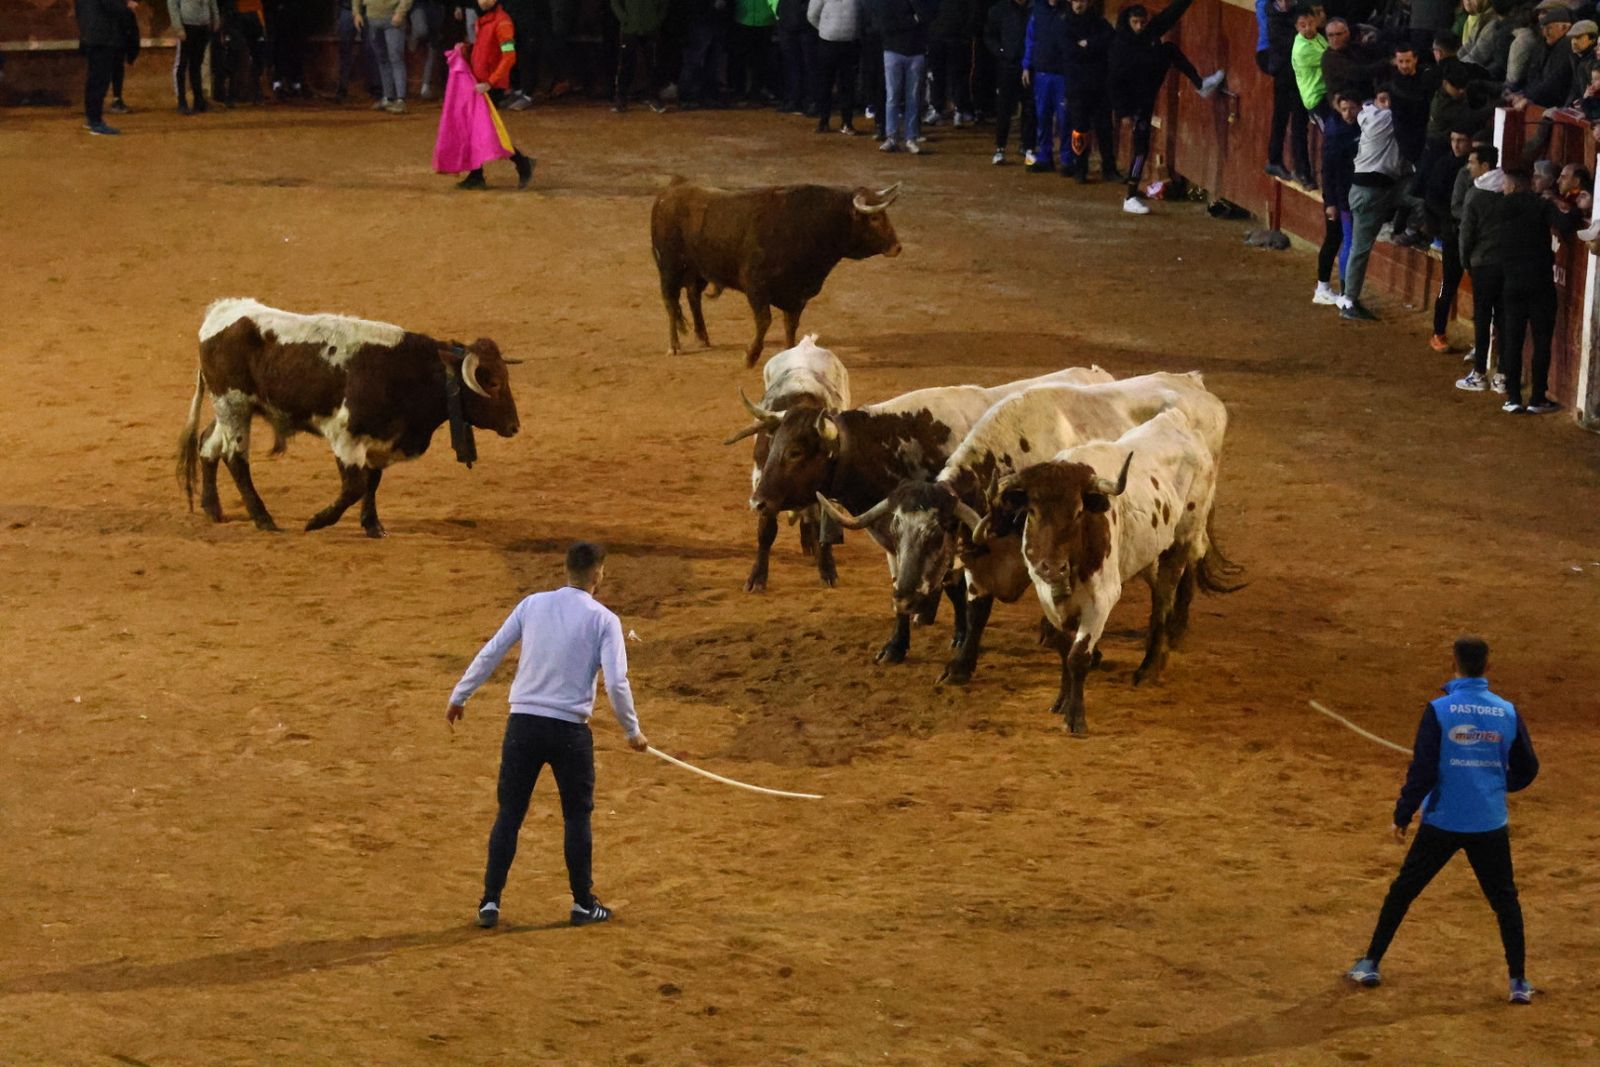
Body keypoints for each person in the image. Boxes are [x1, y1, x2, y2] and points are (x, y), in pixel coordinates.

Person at [447, 542, 649, 929]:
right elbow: (616, 683)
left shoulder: (532, 605)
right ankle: (582, 903)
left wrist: (460, 695)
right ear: (598, 573)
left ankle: (490, 901)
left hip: (523, 724)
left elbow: (492, 651)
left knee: (509, 814)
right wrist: (632, 731)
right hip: (570, 731)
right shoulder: (604, 620)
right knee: (576, 816)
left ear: (565, 568)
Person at [1345, 636, 1539, 1004]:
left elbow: (1423, 771)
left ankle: (1370, 962)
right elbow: (1528, 767)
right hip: (1489, 822)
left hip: (1443, 821)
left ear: (1453, 663)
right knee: (1505, 901)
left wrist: (1403, 813)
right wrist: (1498, 783)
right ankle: (1518, 982)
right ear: (1488, 667)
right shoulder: (1508, 712)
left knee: (1403, 891)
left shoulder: (1439, 710)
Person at [1108, 0, 1224, 214]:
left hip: (1147, 89)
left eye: (1142, 22)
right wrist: (1124, 113)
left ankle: (1200, 84)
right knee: (1141, 148)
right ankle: (1130, 195)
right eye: (1135, 22)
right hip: (1135, 103)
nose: (1139, 27)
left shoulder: (1149, 33)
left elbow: (1170, 15)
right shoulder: (1119, 46)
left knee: (1169, 49)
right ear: (1128, 22)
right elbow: (1114, 83)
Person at [1494, 168, 1579, 413]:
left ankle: (1512, 397)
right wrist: (1574, 209)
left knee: (1513, 340)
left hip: (1511, 281)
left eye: (1505, 184)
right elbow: (1566, 224)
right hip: (1540, 282)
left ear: (1512, 186)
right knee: (1542, 341)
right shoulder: (1540, 205)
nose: (1503, 188)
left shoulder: (1500, 207)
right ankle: (1537, 397)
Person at [1338, 89, 1407, 321]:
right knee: (1359, 248)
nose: (1387, 105)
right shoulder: (1385, 118)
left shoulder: (1366, 114)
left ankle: (1396, 226)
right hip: (1371, 190)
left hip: (1367, 189)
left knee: (1357, 246)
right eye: (1383, 100)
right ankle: (1349, 300)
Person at [453, 0, 536, 189]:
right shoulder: (485, 21)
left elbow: (509, 56)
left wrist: (490, 82)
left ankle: (521, 163)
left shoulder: (502, 22)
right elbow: (483, 51)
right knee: (478, 129)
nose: (483, 1)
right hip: (481, 84)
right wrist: (466, 49)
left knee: (486, 131)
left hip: (490, 86)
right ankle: (478, 174)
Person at [1456, 143, 1507, 394]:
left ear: (1485, 166)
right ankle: (1502, 375)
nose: (1469, 167)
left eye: (1472, 162)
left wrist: (1465, 261)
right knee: (1505, 318)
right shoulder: (1508, 189)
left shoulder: (1475, 195)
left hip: (1483, 264)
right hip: (1507, 263)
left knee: (1483, 317)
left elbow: (1466, 234)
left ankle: (1479, 373)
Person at [1418, 127, 1474, 350]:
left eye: (1461, 140)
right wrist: (1448, 221)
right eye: (1453, 139)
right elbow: (1432, 200)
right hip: (1452, 233)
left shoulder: (1471, 166)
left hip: (1468, 233)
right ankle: (1438, 332)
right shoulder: (1443, 165)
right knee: (1448, 284)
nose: (1456, 145)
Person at [1313, 90, 1360, 308]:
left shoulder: (1352, 128)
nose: (1348, 113)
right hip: (1339, 196)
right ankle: (1322, 288)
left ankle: (1325, 287)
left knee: (1337, 239)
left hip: (1344, 195)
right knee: (1334, 238)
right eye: (1344, 109)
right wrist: (1329, 202)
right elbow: (1327, 171)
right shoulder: (1335, 133)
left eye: (1352, 108)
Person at [1062, 0, 1116, 182]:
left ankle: (1109, 169)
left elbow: (1110, 39)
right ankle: (1080, 169)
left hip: (1100, 85)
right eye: (1076, 0)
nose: (1079, 4)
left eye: (1083, 0)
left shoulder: (1099, 22)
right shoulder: (1065, 23)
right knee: (1079, 129)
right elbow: (1070, 51)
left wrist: (1088, 44)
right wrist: (1094, 48)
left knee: (1105, 128)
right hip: (1077, 86)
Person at [1263, 0, 1312, 185]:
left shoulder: (1290, 11)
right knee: (1284, 118)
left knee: (1298, 120)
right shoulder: (1274, 16)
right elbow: (1288, 43)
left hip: (1297, 73)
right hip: (1286, 73)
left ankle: (1301, 169)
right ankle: (1279, 162)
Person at [879, 0, 935, 153]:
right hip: (893, 51)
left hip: (915, 52)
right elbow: (885, 25)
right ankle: (892, 137)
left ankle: (911, 138)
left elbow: (927, 16)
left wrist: (906, 20)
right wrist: (912, 20)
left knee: (913, 97)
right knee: (893, 96)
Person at [1022, 0, 1071, 173]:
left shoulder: (1068, 12)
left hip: (1063, 74)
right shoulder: (1036, 12)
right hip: (1042, 72)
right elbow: (1030, 40)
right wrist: (1026, 66)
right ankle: (1045, 156)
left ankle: (1067, 159)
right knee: (1043, 116)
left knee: (1065, 117)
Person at [985, 0, 1037, 164]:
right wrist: (1001, 51)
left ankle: (1028, 147)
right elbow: (989, 35)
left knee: (1030, 108)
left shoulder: (1036, 9)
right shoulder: (999, 9)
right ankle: (1000, 148)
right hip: (1007, 67)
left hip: (1030, 67)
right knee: (1004, 109)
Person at [78, 0, 140, 134]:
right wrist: (127, 7)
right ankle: (96, 121)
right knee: (100, 81)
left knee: (93, 80)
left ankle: (92, 118)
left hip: (90, 36)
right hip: (103, 38)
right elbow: (113, 7)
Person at [809, 0, 864, 132]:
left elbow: (863, 13)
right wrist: (825, 30)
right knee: (825, 83)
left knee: (847, 84)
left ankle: (847, 122)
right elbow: (812, 15)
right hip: (827, 43)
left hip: (850, 43)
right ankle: (824, 121)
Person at [611, 0, 670, 111]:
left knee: (652, 64)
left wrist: (657, 20)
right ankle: (621, 98)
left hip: (650, 29)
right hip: (630, 30)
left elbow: (664, 4)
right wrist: (624, 18)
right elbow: (615, 2)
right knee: (626, 64)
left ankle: (654, 97)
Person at [358, 0, 414, 113]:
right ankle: (388, 98)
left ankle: (401, 100)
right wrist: (356, 12)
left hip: (393, 19)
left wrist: (400, 12)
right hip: (372, 19)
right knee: (382, 59)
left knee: (396, 58)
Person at [168, 0, 220, 114]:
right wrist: (178, 27)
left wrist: (215, 17)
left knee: (196, 64)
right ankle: (182, 101)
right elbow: (172, 4)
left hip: (203, 25)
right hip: (187, 25)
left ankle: (198, 100)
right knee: (183, 63)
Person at [1290, 4, 1330, 126]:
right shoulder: (1302, 49)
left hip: (1326, 91)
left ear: (1316, 21)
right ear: (1297, 27)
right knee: (1331, 134)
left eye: (1311, 23)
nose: (1308, 28)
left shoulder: (1317, 36)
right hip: (1316, 98)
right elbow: (1331, 59)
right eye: (1303, 25)